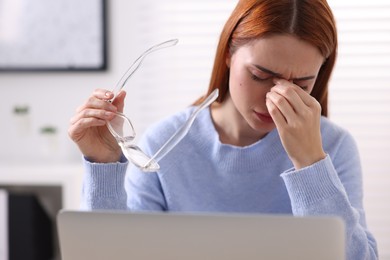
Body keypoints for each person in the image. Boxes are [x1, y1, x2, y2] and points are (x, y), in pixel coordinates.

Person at [68, 0, 378, 259]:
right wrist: (103, 167)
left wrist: (311, 164)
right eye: (259, 75)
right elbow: (113, 254)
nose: (276, 99)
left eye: (302, 84)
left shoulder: (333, 147)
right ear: (229, 53)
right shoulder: (164, 143)